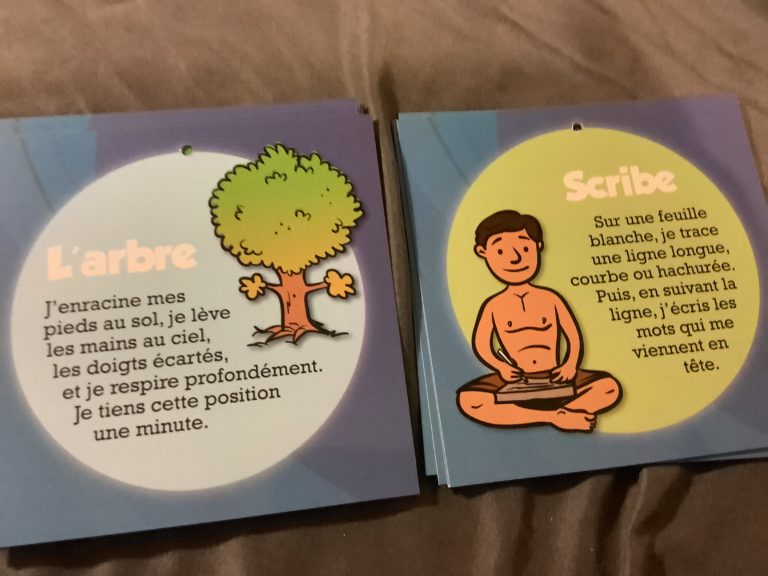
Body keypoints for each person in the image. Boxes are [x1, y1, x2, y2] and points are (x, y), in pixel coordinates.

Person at [457, 210, 621, 432]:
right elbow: (482, 345)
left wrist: (570, 364)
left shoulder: (551, 298)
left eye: (525, 249)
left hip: (557, 376)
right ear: (482, 252)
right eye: (501, 251)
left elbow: (572, 335)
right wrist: (501, 367)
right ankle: (555, 417)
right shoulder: (493, 306)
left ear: (538, 246)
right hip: (515, 381)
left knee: (609, 388)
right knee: (470, 401)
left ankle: (564, 412)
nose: (515, 258)